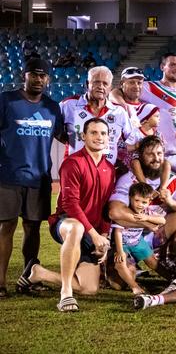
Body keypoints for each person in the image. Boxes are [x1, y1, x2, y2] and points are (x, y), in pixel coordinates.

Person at [17, 118, 115, 312]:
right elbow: (70, 204)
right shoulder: (73, 162)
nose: (99, 137)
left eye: (103, 133)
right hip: (65, 223)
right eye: (93, 133)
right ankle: (66, 293)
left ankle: (39, 273)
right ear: (83, 136)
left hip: (92, 233)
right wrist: (93, 234)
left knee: (89, 289)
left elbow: (107, 207)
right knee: (76, 227)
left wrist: (103, 236)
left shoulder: (110, 169)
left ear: (108, 137)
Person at [0, 58, 64, 298]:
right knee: (6, 226)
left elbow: (64, 136)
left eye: (42, 75)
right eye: (34, 74)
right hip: (8, 175)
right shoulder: (6, 100)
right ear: (24, 76)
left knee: (32, 228)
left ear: (48, 79)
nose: (38, 79)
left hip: (40, 177)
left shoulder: (51, 107)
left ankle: (29, 279)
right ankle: (0, 282)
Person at [108, 136, 176, 268]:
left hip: (159, 233)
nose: (156, 158)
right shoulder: (129, 179)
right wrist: (147, 224)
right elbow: (114, 212)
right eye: (150, 154)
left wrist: (171, 202)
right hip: (131, 235)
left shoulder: (173, 180)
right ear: (140, 156)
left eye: (159, 153)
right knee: (118, 282)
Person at [60, 66, 133, 166]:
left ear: (110, 87)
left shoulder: (119, 112)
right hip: (74, 168)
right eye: (96, 82)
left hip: (106, 170)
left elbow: (131, 140)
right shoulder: (68, 105)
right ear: (87, 84)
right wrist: (71, 140)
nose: (101, 86)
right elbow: (54, 129)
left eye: (105, 83)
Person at [111, 183, 171, 295]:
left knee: (153, 262)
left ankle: (173, 279)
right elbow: (117, 231)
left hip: (137, 241)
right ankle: (135, 287)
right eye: (137, 200)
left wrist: (147, 218)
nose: (140, 205)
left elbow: (163, 221)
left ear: (149, 202)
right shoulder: (125, 212)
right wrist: (119, 251)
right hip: (122, 243)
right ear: (130, 198)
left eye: (144, 202)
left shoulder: (147, 212)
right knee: (121, 263)